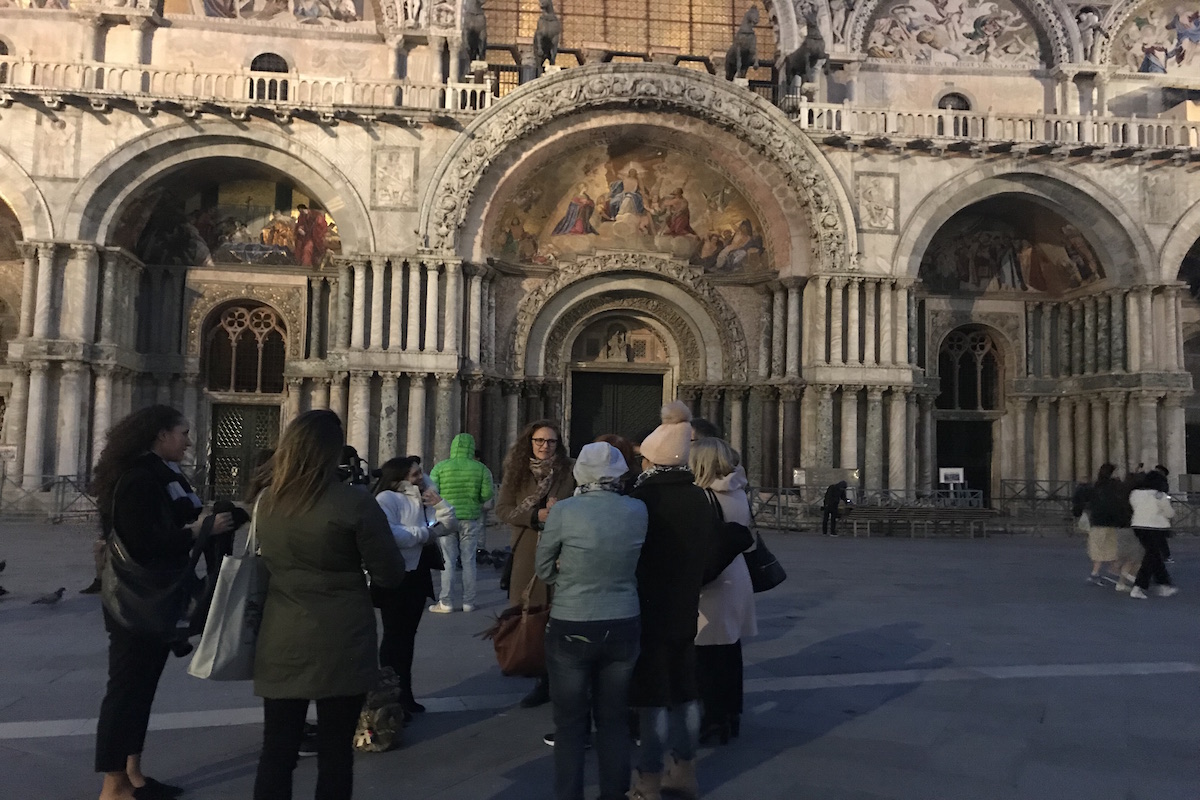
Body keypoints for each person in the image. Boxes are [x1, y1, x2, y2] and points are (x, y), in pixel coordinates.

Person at [251, 410, 405, 800]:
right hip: (342, 640)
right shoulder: (353, 502)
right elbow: (390, 572)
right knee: (335, 753)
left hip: (281, 638)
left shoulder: (267, 501)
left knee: (277, 751)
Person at [91, 405, 234, 800]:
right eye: (183, 432)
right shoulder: (139, 478)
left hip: (154, 600)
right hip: (135, 603)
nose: (189, 440)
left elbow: (180, 518)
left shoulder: (165, 476)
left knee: (142, 690)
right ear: (160, 435)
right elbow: (144, 542)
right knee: (126, 690)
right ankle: (112, 786)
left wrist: (214, 520)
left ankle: (133, 775)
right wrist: (198, 529)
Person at [537, 442, 648, 800]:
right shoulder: (638, 509)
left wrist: (566, 580)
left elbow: (542, 567)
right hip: (623, 622)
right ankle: (614, 794)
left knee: (569, 725)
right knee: (614, 721)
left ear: (579, 471)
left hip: (572, 622)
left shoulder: (565, 511)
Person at [628, 401, 718, 800]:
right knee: (685, 692)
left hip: (646, 610)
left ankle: (648, 780)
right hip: (685, 610)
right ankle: (684, 772)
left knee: (652, 700)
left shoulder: (640, 501)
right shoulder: (703, 500)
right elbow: (713, 560)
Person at [495, 419, 576, 708]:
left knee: (558, 619)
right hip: (527, 554)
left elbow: (582, 503)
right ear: (529, 442)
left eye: (551, 442)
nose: (544, 446)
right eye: (539, 441)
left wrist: (562, 510)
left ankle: (556, 681)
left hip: (561, 554)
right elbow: (502, 509)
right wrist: (535, 516)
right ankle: (539, 676)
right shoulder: (516, 472)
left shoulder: (570, 471)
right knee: (531, 617)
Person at [372, 456, 458, 715]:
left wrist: (440, 503)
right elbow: (390, 533)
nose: (420, 477)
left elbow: (448, 525)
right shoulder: (386, 499)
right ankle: (390, 697)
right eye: (414, 475)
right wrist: (424, 534)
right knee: (393, 637)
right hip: (396, 573)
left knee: (408, 637)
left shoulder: (425, 495)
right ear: (399, 477)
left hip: (418, 572)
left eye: (420, 473)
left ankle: (405, 695)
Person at [689, 436, 757, 746]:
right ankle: (731, 715)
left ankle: (712, 719)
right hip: (736, 574)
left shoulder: (703, 497)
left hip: (714, 579)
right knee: (729, 651)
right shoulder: (739, 491)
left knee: (707, 655)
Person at [428, 433, 494, 613]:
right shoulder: (480, 468)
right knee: (469, 560)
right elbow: (487, 493)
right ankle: (469, 602)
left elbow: (433, 490)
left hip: (446, 518)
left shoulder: (441, 467)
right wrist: (475, 500)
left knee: (448, 561)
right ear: (471, 449)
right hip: (471, 518)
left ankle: (446, 602)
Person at [1128, 469, 1178, 600]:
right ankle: (1139, 586)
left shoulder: (1135, 493)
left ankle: (1164, 583)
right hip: (1155, 527)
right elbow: (1169, 513)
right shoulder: (1159, 495)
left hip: (1138, 526)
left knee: (1154, 555)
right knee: (1151, 557)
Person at [1083, 464, 1130, 586]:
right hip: (1111, 521)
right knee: (1113, 547)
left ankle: (1099, 572)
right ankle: (1111, 570)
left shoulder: (1095, 486)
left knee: (1101, 547)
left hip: (1098, 521)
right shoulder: (1115, 486)